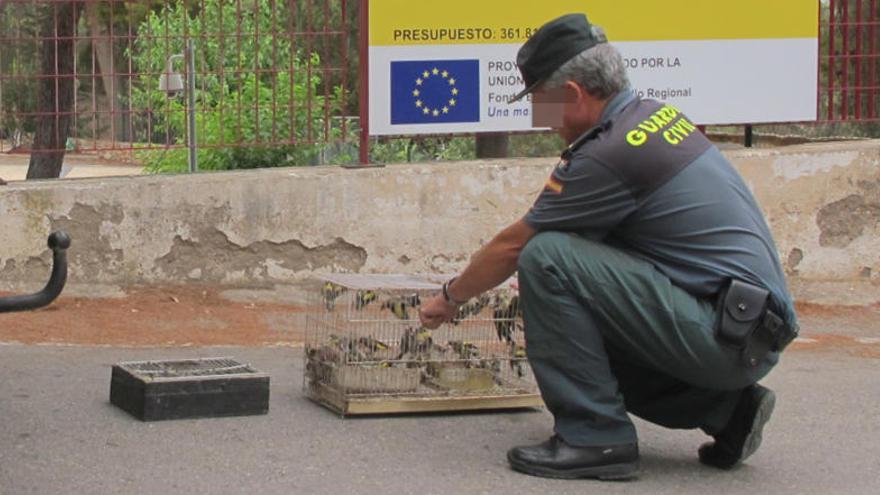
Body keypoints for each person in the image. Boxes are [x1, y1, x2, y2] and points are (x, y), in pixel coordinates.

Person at [419, 13, 798, 481]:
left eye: (542, 105)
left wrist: (450, 297)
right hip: (746, 328)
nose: (543, 122)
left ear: (574, 94)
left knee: (546, 259)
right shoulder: (651, 116)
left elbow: (513, 246)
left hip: (726, 336)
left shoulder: (608, 153)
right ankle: (728, 411)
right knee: (568, 306)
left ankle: (594, 438)